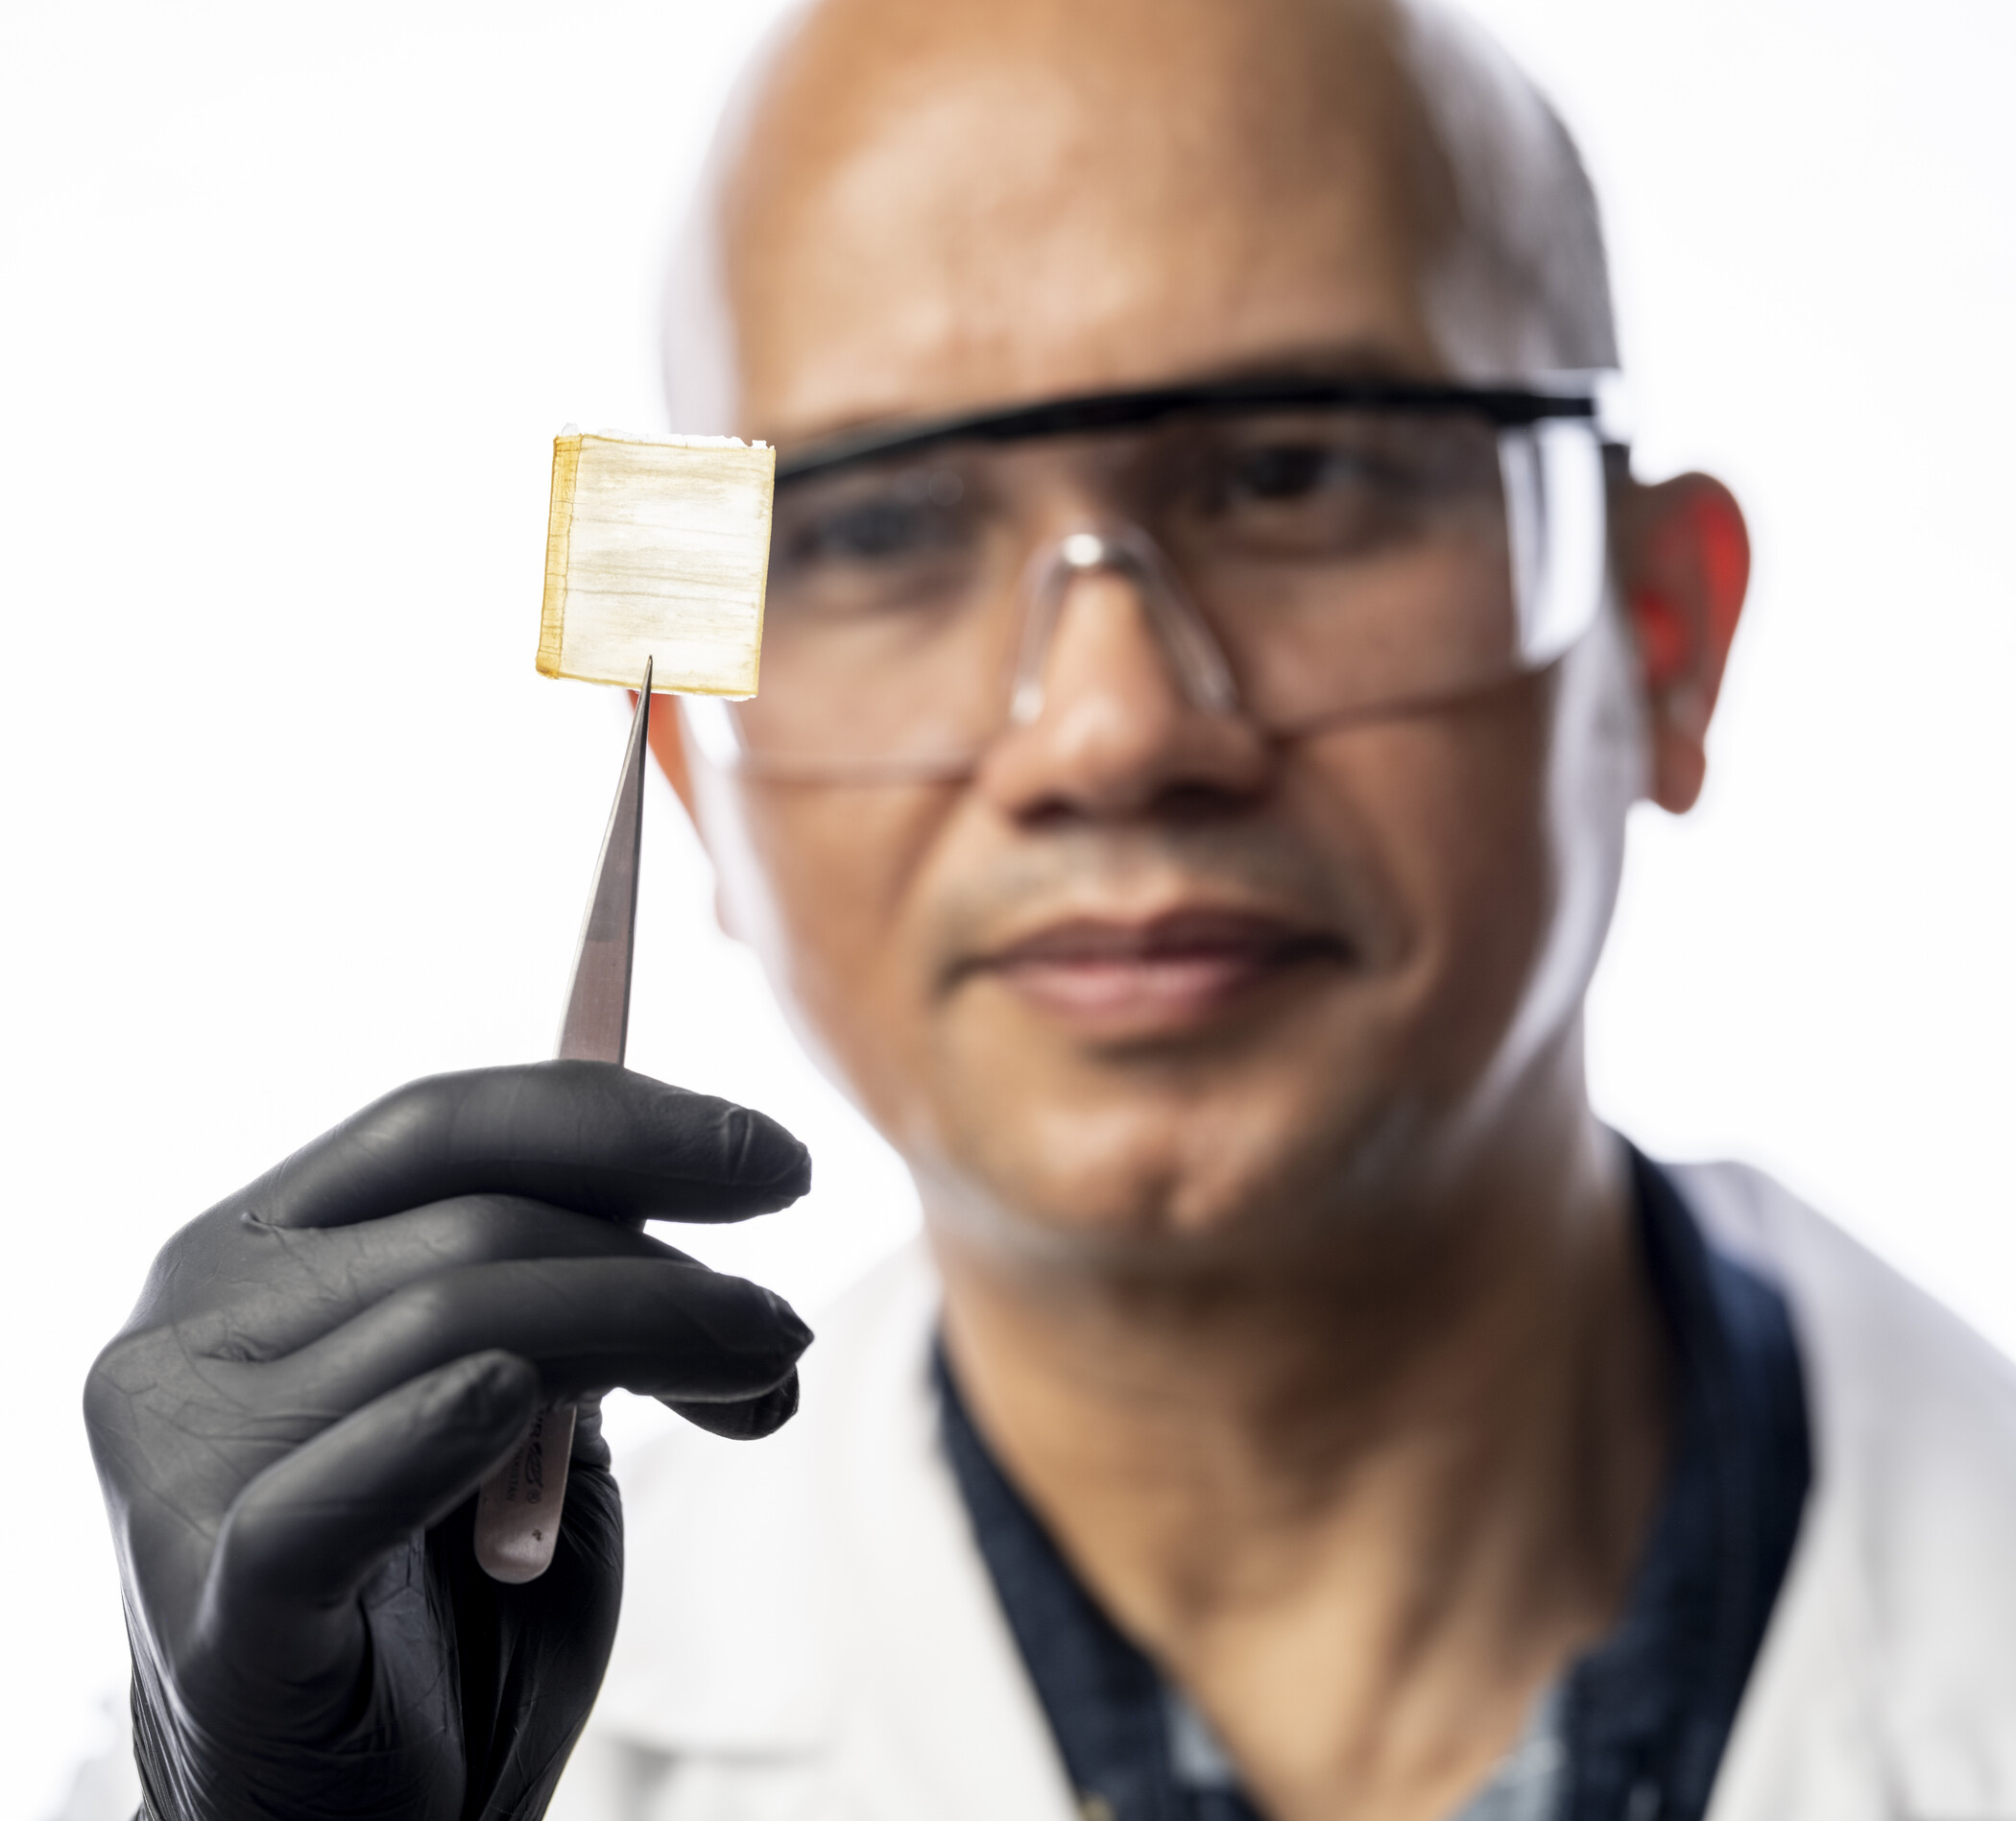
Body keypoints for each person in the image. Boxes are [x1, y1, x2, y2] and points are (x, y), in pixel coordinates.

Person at [82, 1, 2016, 1818]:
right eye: (889, 528)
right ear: (701, 782)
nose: (1110, 726)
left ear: (1661, 638)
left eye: (1289, 470)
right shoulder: (384, 1747)